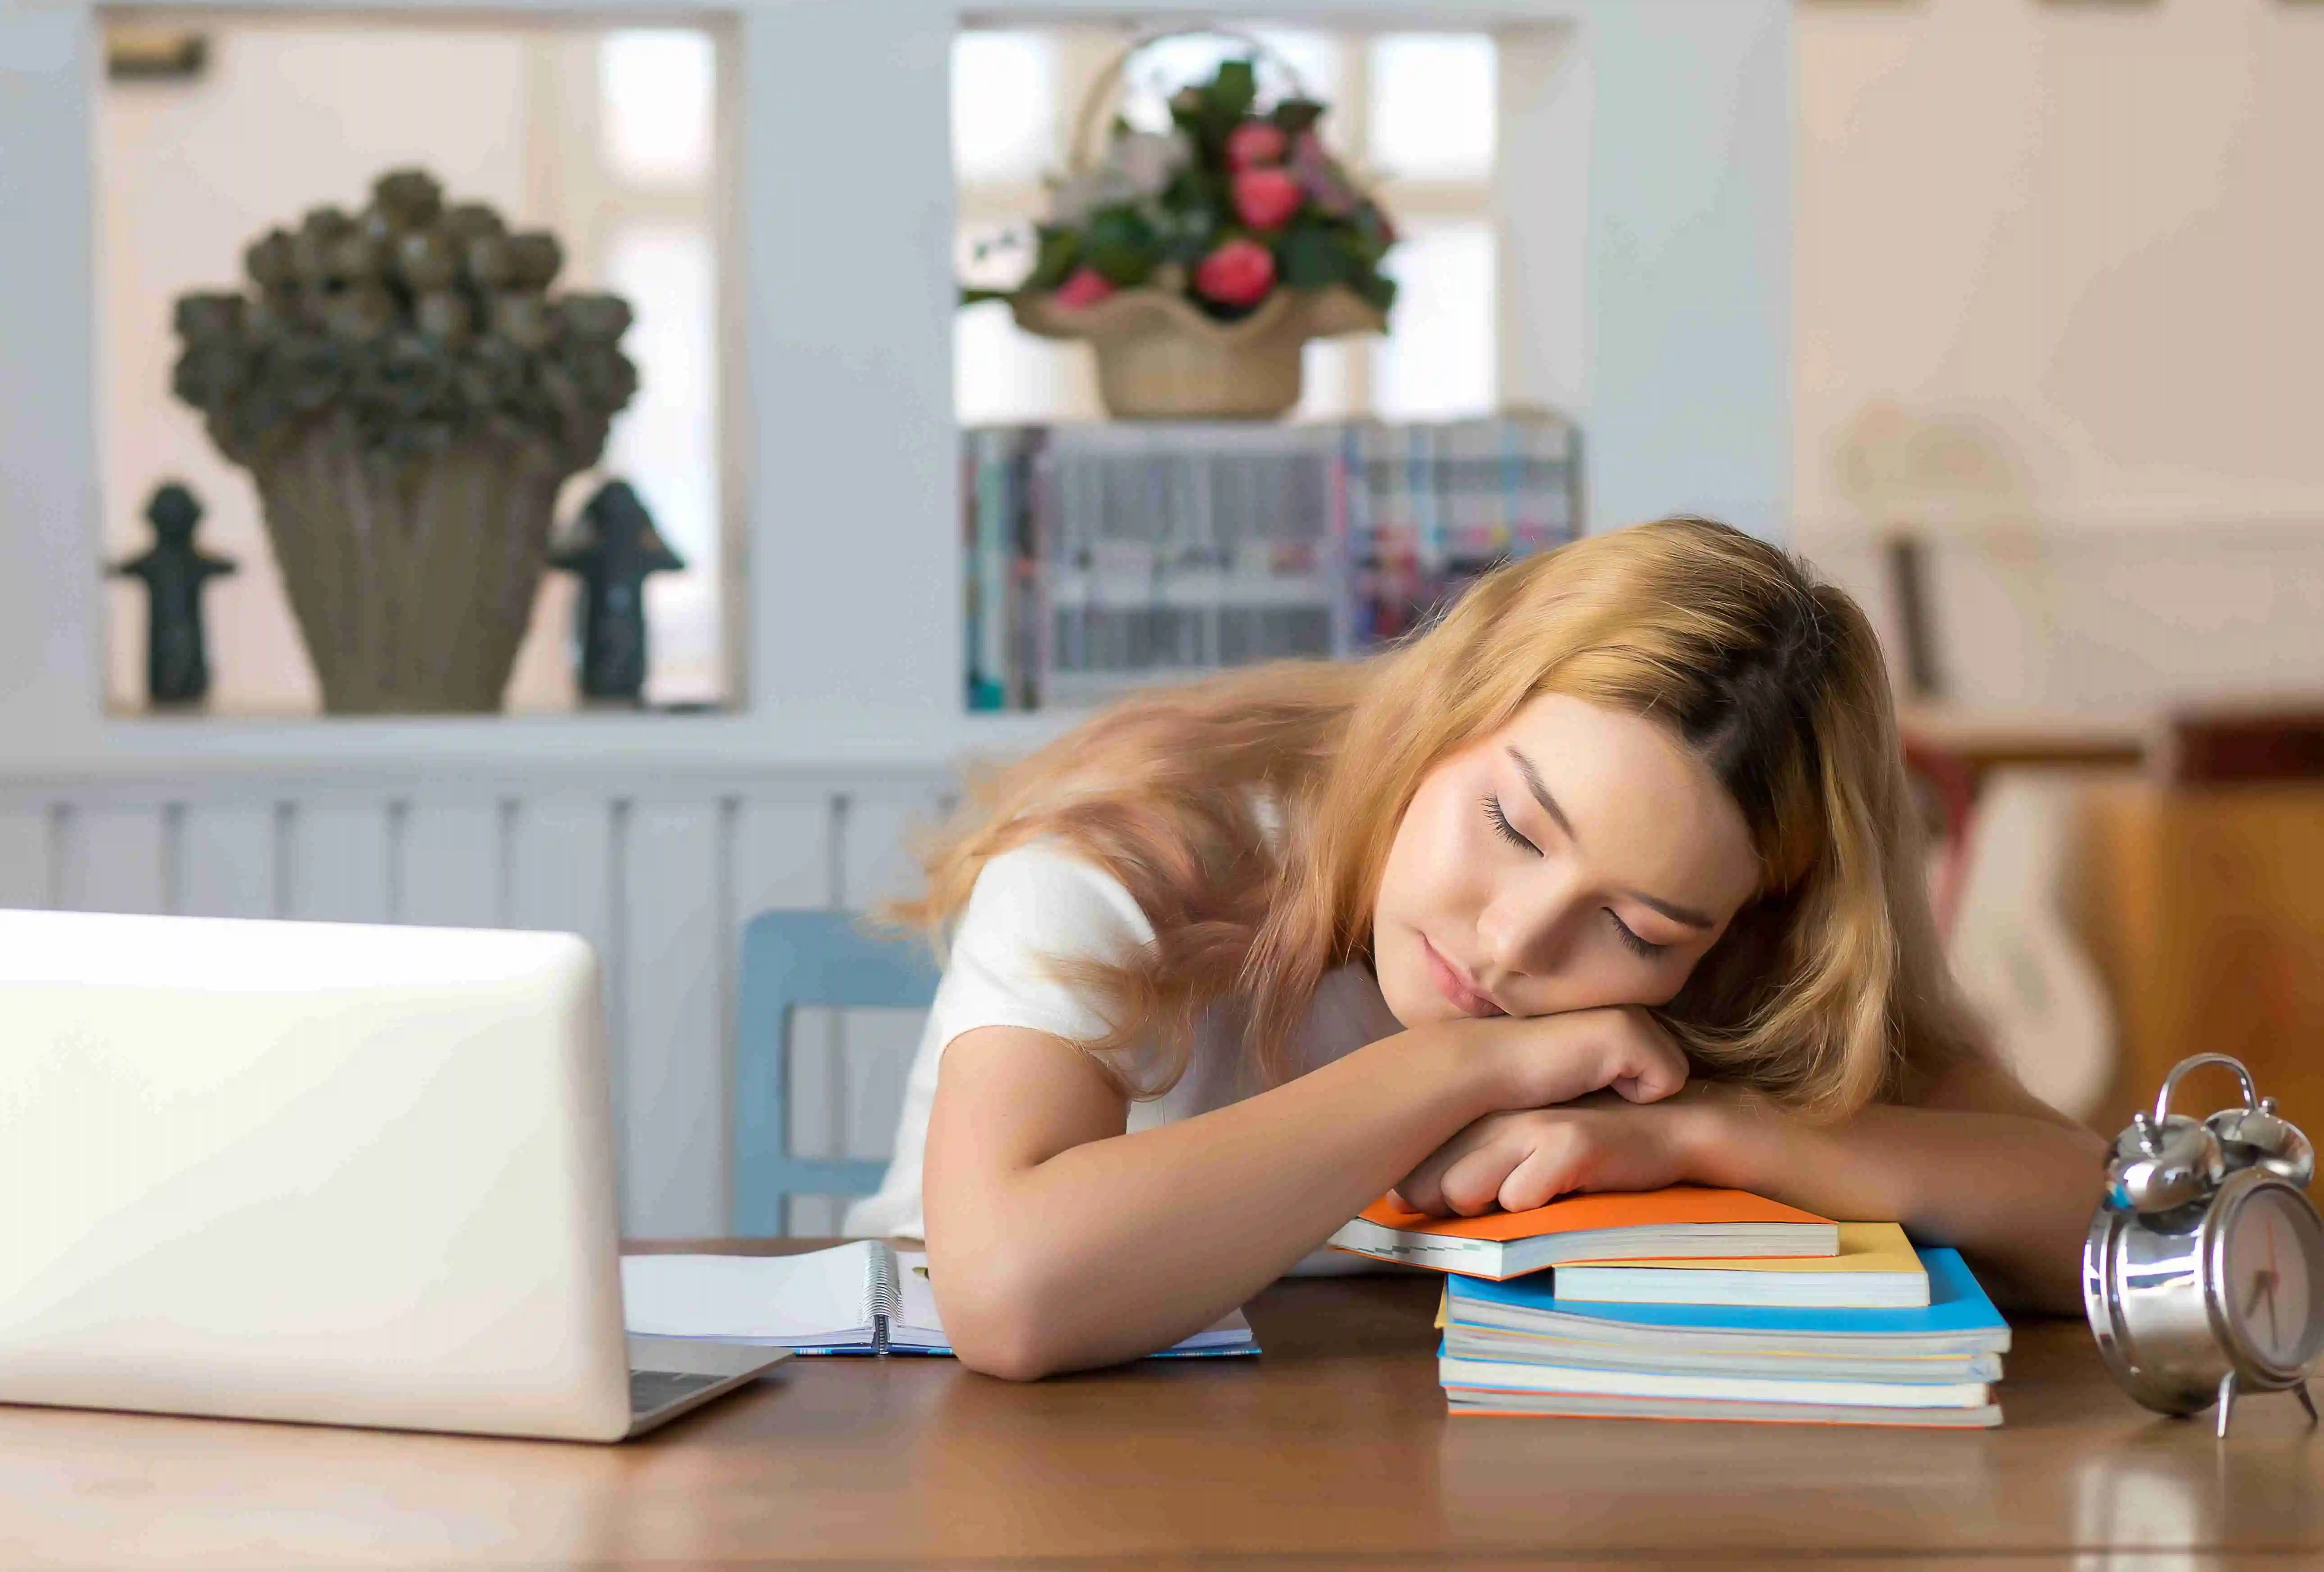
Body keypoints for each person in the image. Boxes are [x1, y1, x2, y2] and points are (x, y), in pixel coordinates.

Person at [844, 517, 2105, 1380]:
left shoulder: (1736, 958)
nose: (1512, 944)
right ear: (1454, 702)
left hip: (1379, 1455)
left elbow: (2111, 1223)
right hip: (937, 1432)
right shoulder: (1154, 834)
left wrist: (1718, 1135)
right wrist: (1462, 1071)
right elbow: (1007, 1294)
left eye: (1632, 929)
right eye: (1510, 823)